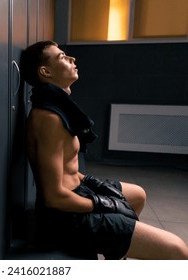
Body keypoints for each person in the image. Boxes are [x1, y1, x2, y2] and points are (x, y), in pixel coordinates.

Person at [20, 40, 188, 260]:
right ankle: (116, 238)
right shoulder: (49, 119)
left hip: (76, 191)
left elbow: (66, 169)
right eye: (62, 57)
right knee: (178, 250)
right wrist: (104, 205)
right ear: (46, 71)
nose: (72, 59)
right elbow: (53, 197)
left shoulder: (57, 108)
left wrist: (92, 184)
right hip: (65, 217)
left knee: (137, 195)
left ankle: (115, 252)